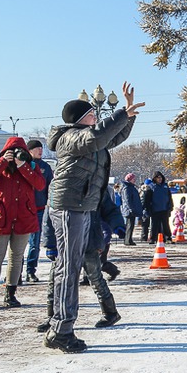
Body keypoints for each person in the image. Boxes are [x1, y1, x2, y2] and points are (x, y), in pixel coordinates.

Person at [45, 82, 141, 353]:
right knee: (69, 267)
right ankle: (61, 329)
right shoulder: (71, 136)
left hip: (83, 205)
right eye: (91, 114)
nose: (95, 117)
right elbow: (98, 136)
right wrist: (121, 112)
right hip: (69, 206)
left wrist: (129, 114)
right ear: (78, 119)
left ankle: (60, 326)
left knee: (73, 265)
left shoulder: (90, 139)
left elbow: (113, 137)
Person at [37, 188, 125, 334]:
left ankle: (110, 312)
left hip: (89, 240)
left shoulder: (94, 186)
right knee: (55, 279)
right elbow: (49, 215)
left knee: (95, 277)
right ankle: (52, 316)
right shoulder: (59, 184)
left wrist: (118, 225)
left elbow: (109, 209)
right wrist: (50, 243)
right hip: (63, 242)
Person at [0, 137, 47, 310]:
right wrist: (3, 161)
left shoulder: (30, 167)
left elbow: (40, 185)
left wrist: (22, 165)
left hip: (23, 217)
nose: (16, 155)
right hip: (0, 218)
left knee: (16, 257)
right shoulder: (1, 166)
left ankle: (10, 294)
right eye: (12, 152)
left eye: (20, 152)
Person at [24, 139, 54, 283]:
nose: (40, 151)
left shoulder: (45, 167)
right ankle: (15, 271)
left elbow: (50, 187)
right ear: (29, 151)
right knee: (19, 244)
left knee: (35, 243)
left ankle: (31, 270)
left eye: (41, 148)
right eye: (37, 148)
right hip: (23, 210)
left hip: (40, 209)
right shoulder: (23, 165)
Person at [148, 171, 173, 243]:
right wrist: (149, 208)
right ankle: (153, 238)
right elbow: (148, 199)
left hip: (164, 208)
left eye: (161, 177)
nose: (160, 179)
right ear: (155, 178)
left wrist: (170, 206)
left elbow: (169, 197)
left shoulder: (165, 186)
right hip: (155, 209)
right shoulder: (151, 187)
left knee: (165, 224)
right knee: (154, 225)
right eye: (158, 178)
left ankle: (168, 237)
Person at [119, 172, 142, 246]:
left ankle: (129, 239)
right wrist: (131, 208)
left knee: (131, 225)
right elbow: (127, 200)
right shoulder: (127, 188)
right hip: (129, 210)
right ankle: (128, 240)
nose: (134, 180)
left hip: (131, 209)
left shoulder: (130, 187)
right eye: (133, 179)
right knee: (129, 225)